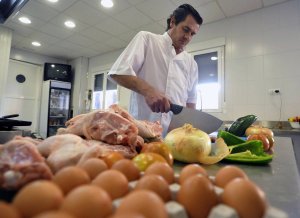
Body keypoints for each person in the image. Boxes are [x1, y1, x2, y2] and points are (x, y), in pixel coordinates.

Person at [108, 4, 203, 135]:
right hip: (142, 133)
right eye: (186, 29)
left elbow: (190, 103)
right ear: (173, 22)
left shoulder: (191, 63)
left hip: (175, 138)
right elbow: (118, 72)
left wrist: (189, 131)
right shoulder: (147, 40)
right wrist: (149, 91)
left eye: (192, 34)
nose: (188, 37)